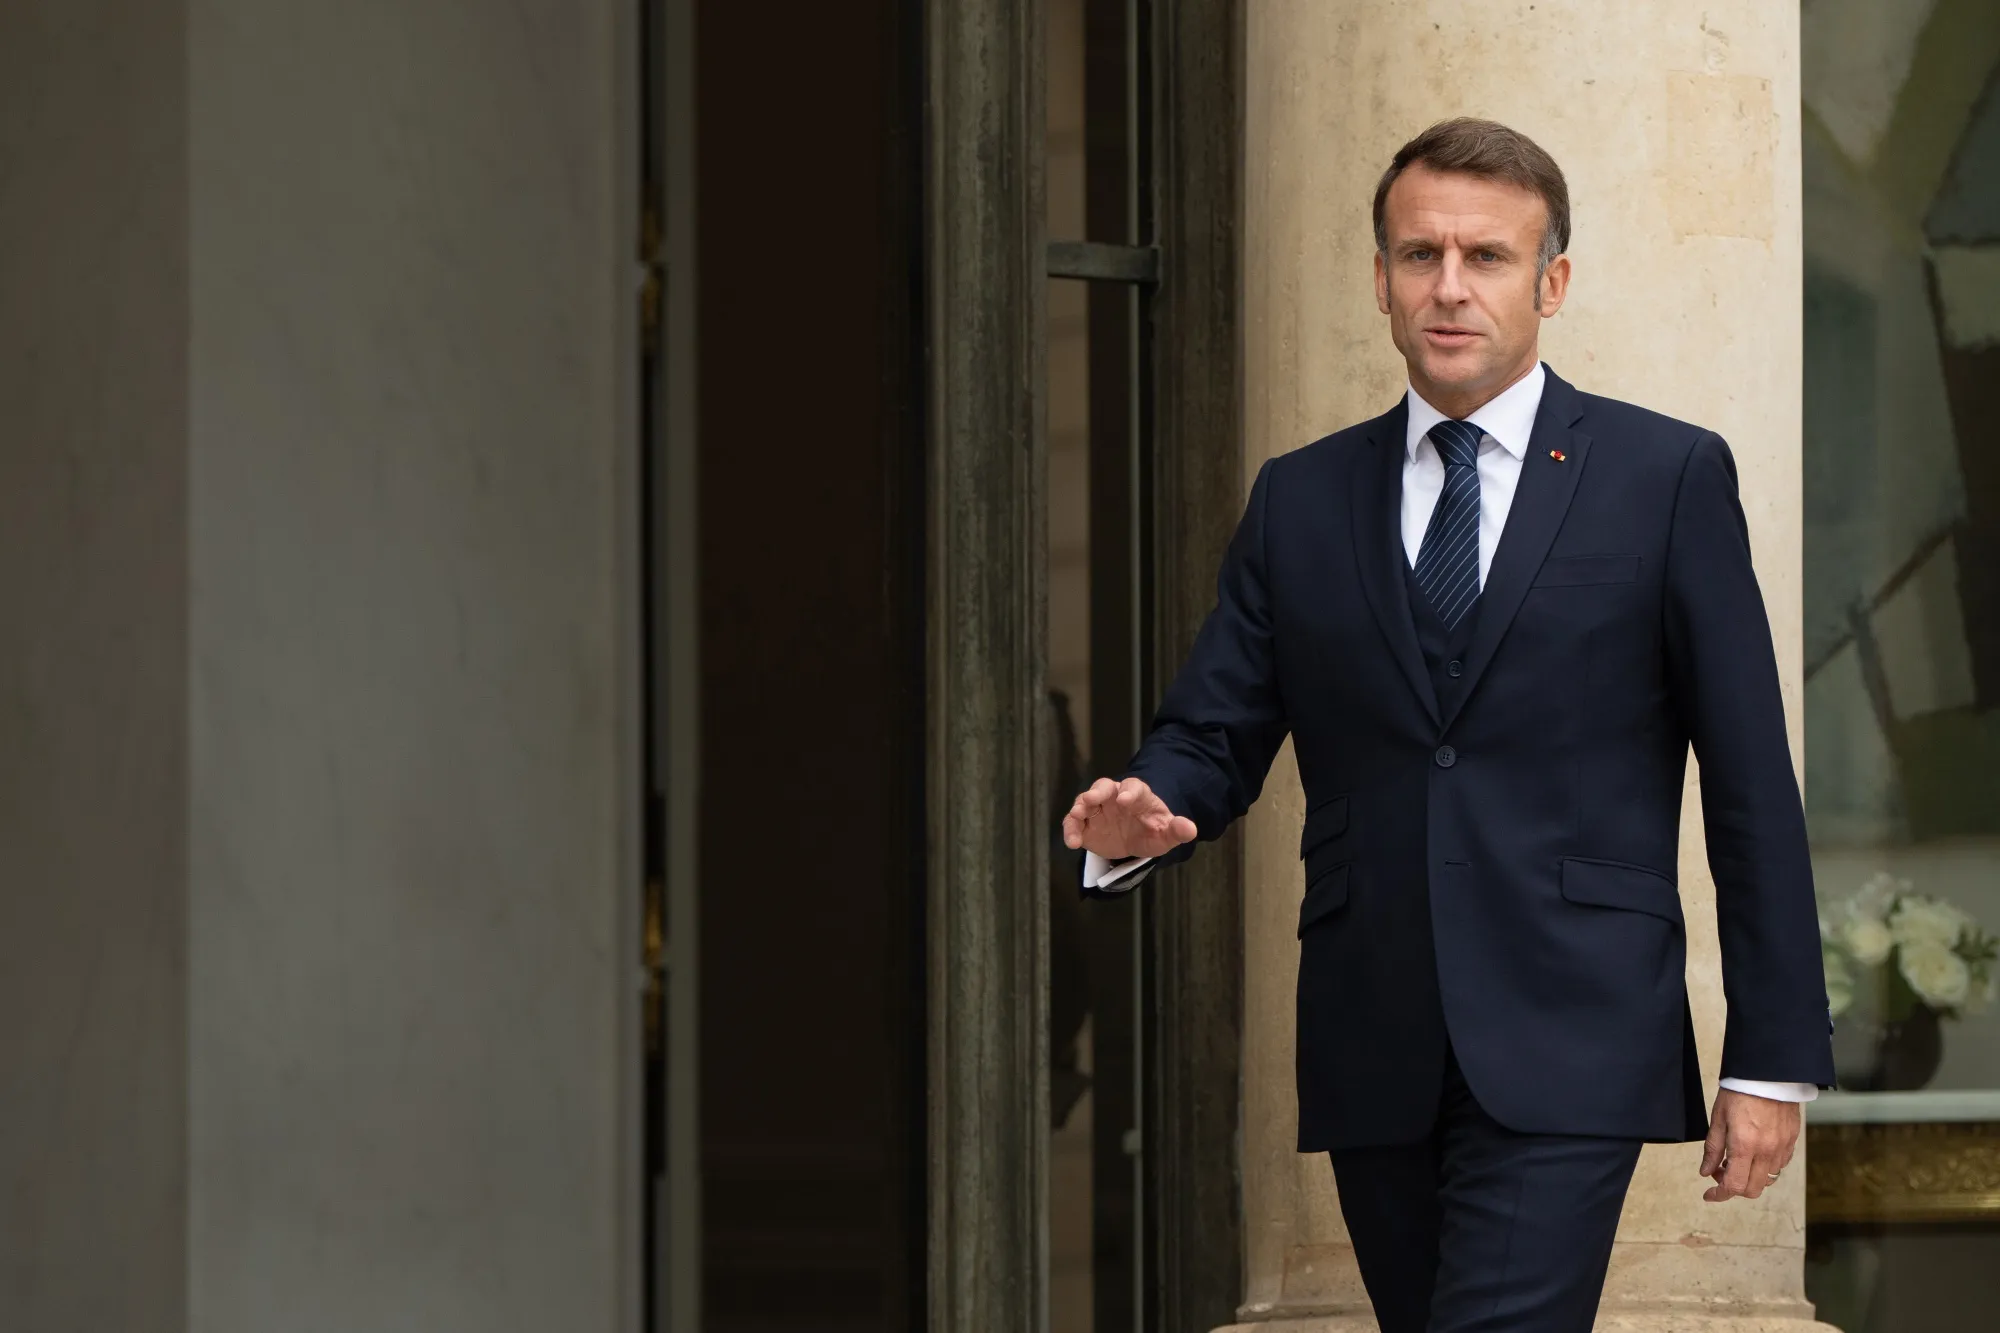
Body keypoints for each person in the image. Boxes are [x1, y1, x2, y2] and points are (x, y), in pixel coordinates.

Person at [1063, 118, 1835, 1332]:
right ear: (1378, 281)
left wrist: (1768, 1056)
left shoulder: (1663, 476)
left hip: (1574, 1025)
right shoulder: (1299, 498)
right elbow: (1213, 728)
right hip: (1376, 1031)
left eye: (1485, 256)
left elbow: (1747, 780)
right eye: (1418, 255)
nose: (1449, 285)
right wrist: (1145, 811)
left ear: (1551, 282)